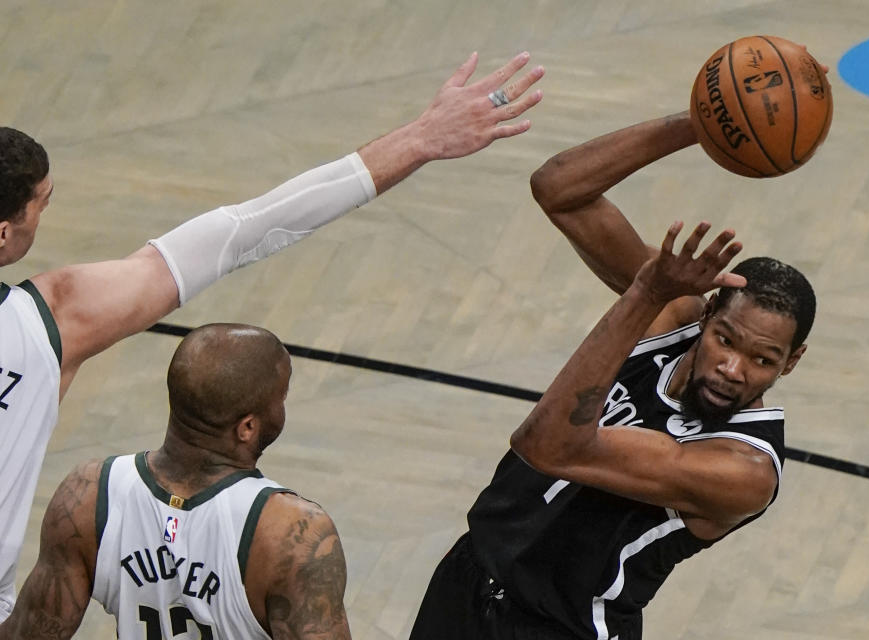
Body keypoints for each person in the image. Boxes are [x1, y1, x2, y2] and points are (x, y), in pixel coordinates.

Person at [0, 51, 544, 620]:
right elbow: (243, 231)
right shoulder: (50, 322)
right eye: (44, 202)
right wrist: (419, 139)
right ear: (7, 231)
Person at [410, 112, 816, 640]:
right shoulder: (676, 318)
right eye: (725, 340)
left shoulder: (743, 468)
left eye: (762, 360)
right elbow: (559, 188)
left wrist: (646, 292)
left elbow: (548, 445)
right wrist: (705, 124)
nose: (732, 369)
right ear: (709, 315)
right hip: (467, 580)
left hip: (561, 630)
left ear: (791, 361)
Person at [0, 323, 363, 639]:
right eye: (281, 397)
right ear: (247, 427)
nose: (283, 406)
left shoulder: (90, 495)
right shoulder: (290, 533)